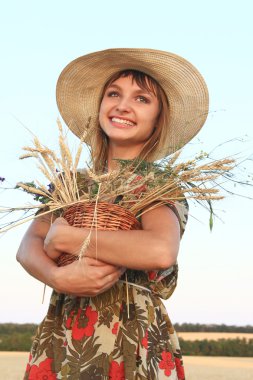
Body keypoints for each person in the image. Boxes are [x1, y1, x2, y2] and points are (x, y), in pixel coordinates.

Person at [17, 48, 209, 379]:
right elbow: (27, 248)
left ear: (158, 118)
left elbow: (160, 249)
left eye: (142, 99)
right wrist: (56, 277)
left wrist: (67, 236)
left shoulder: (159, 183)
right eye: (114, 94)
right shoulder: (70, 183)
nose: (123, 105)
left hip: (130, 334)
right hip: (64, 332)